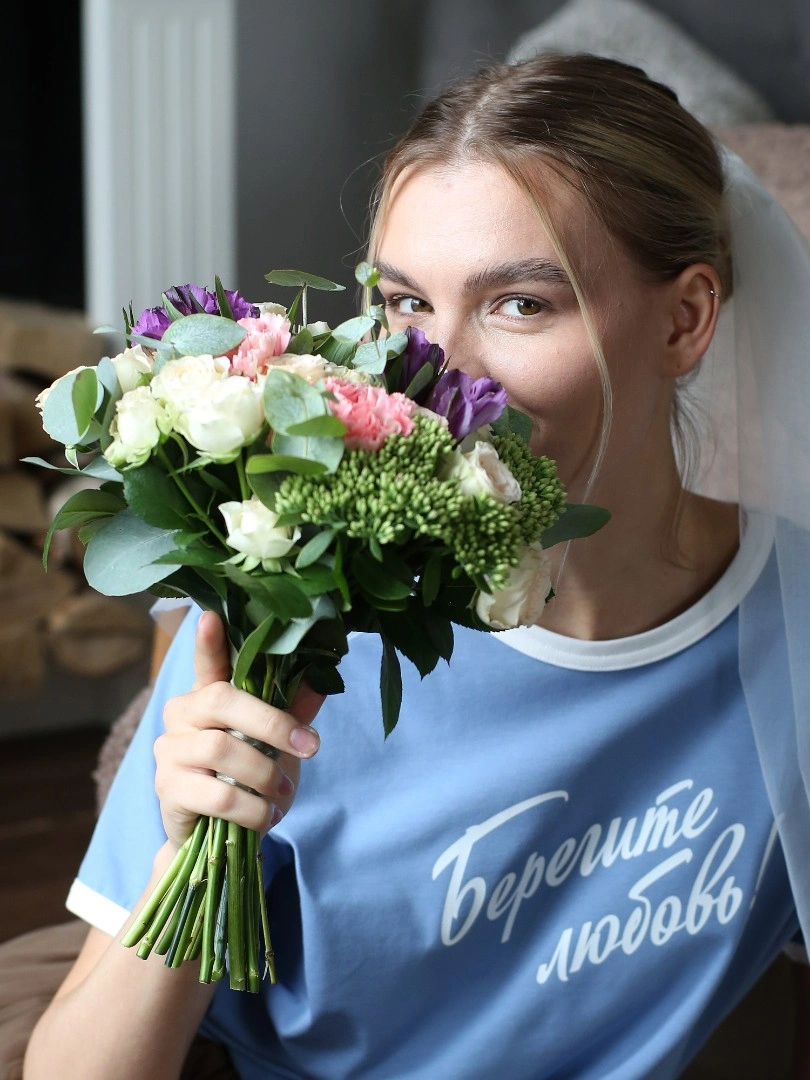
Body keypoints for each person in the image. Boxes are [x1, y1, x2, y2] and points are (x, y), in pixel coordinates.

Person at [24, 53, 810, 1079]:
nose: (437, 375)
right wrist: (193, 842)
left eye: (520, 303)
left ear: (685, 318)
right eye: (406, 305)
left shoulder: (793, 619)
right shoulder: (305, 608)